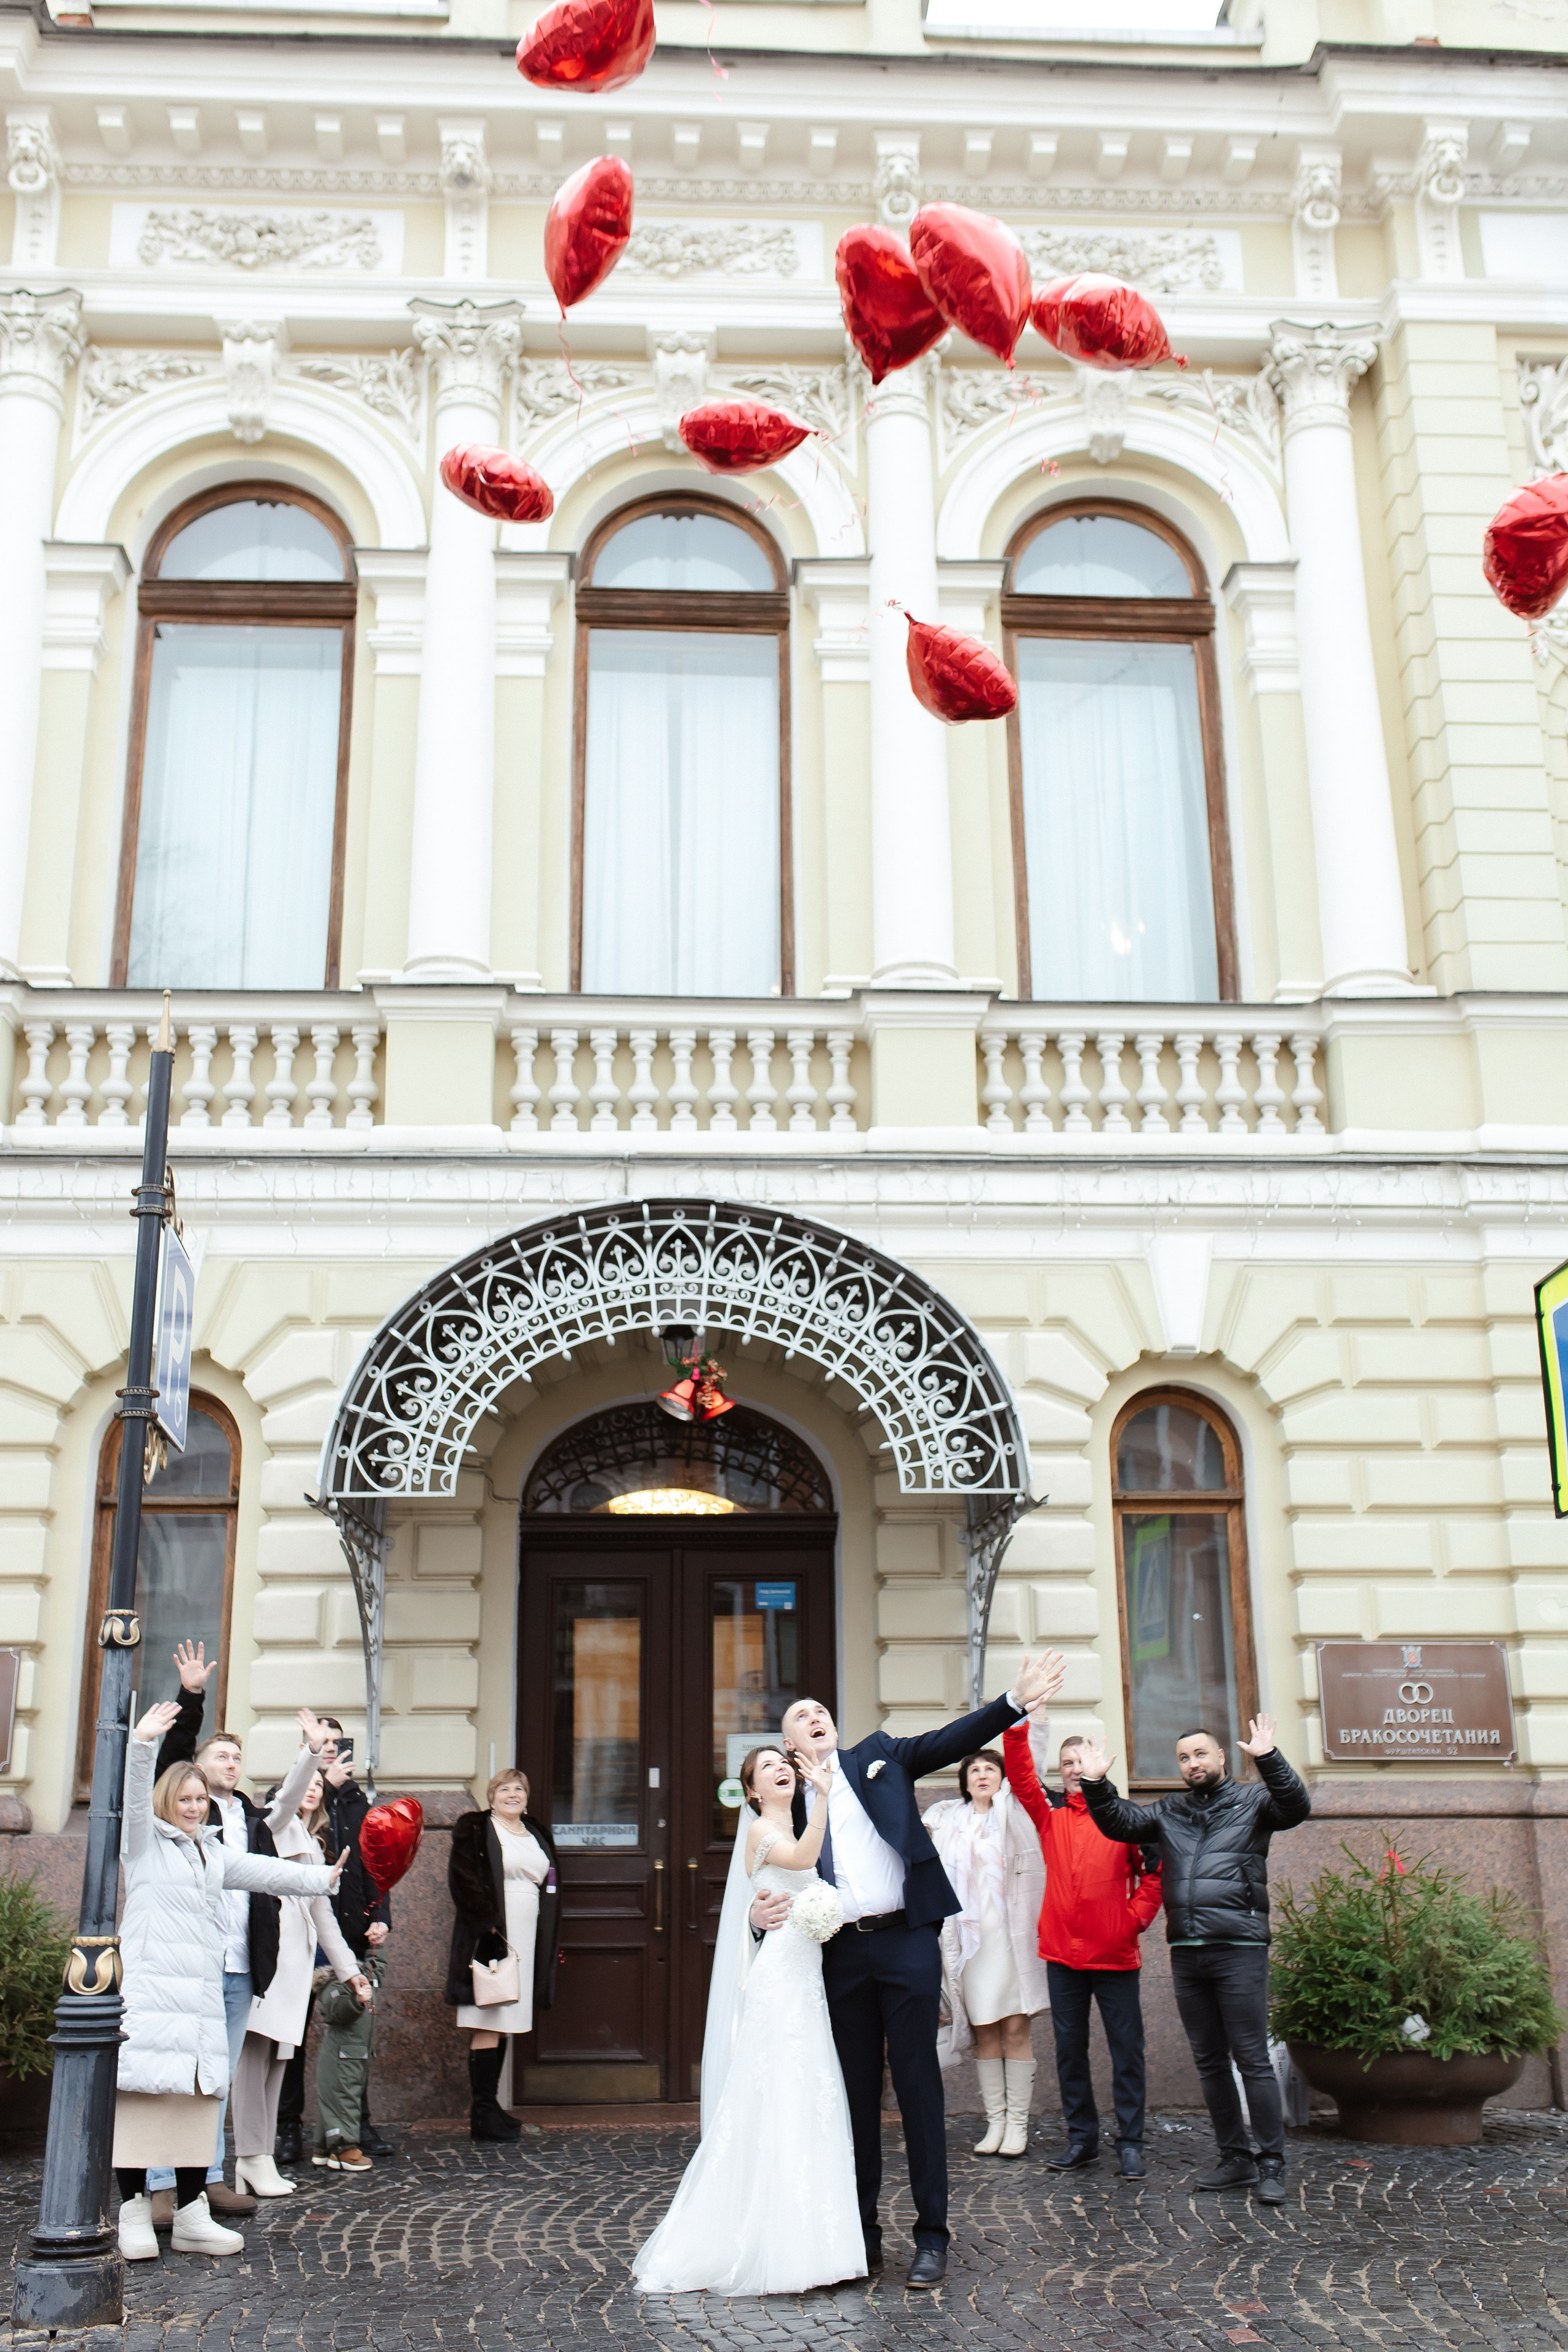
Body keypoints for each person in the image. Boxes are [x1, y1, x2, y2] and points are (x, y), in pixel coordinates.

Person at [758, 1649, 1066, 2290]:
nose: (815, 1716)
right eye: (800, 1715)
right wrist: (759, 1918)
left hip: (904, 1944)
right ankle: (862, 2238)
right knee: (855, 2098)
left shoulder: (881, 1757)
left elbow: (950, 1738)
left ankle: (932, 2237)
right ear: (789, 1745)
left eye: (820, 1710)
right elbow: (766, 1879)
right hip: (838, 1953)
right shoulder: (788, 1804)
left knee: (919, 2087)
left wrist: (1012, 1701)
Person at [115, 1701, 344, 2266]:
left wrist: (323, 1875)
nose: (193, 1808)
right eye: (185, 1800)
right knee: (143, 2102)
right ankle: (135, 2212)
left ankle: (193, 2213)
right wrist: (143, 1745)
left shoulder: (212, 1852)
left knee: (199, 2099)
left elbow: (264, 1872)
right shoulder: (141, 1845)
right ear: (168, 1802)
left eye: (199, 1800)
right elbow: (133, 1796)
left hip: (199, 1998)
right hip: (152, 1999)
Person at [633, 1744, 865, 2297]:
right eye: (767, 1767)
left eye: (782, 1762)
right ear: (753, 1791)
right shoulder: (763, 1830)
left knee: (809, 2099)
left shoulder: (793, 1824)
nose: (781, 1769)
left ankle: (817, 2245)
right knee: (776, 2100)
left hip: (807, 1984)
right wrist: (827, 1796)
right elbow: (807, 1860)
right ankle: (768, 2245)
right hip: (780, 1986)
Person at [1076, 1714, 1311, 2204]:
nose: (1192, 1764)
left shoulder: (1253, 1802)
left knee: (1251, 2059)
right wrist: (1097, 1783)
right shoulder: (1170, 1811)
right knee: (1209, 2061)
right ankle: (1235, 2159)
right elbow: (1119, 1823)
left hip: (1239, 1947)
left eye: (1201, 1754)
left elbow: (1295, 1807)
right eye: (1184, 1758)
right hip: (1187, 1950)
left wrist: (1268, 1757)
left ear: (1222, 1757)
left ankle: (1271, 2164)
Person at [148, 1640, 323, 2225]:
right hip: (188, 1962)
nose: (229, 1763)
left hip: (240, 1964)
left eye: (234, 1757)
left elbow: (286, 1815)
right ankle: (160, 2187)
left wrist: (310, 1755)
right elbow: (169, 1755)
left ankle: (211, 2178)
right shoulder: (181, 1814)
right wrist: (191, 1696)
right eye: (219, 1755)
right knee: (176, 2076)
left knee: (216, 2082)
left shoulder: (249, 1818)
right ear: (195, 1770)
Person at [1001, 1719, 1163, 2177]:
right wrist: (1018, 1720)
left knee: (1126, 2050)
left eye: (1082, 1761)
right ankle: (1082, 2139)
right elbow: (1018, 1774)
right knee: (1071, 2051)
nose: (1075, 1769)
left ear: (1101, 1762)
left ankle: (1130, 2142)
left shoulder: (1125, 1816)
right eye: (1067, 1763)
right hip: (1062, 1955)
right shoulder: (1049, 1812)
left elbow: (1155, 1872)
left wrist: (1133, 1919)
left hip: (1114, 1954)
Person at [232, 1723, 372, 2195]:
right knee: (254, 2067)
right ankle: (249, 2155)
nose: (313, 1789)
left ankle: (261, 2156)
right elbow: (287, 1799)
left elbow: (325, 1921)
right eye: (308, 1782)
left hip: (295, 1974)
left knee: (275, 2065)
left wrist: (351, 1973)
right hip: (268, 1964)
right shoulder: (270, 1824)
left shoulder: (313, 1845)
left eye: (319, 1784)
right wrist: (313, 1755)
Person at [274, 1714, 392, 2164]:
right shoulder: (285, 1797)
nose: (328, 1747)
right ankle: (288, 2129)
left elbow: (376, 1866)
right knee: (292, 2037)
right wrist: (320, 1779)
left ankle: (355, 2122)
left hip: (345, 1936)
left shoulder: (352, 1799)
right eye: (319, 1741)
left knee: (352, 2038)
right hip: (298, 1941)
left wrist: (381, 1917)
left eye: (335, 1742)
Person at [922, 1747, 1049, 2157]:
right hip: (969, 1944)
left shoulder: (1015, 1816)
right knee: (985, 2031)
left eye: (990, 1769)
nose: (981, 1775)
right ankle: (995, 2123)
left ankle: (1017, 2126)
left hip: (1011, 1938)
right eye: (974, 1769)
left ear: (1002, 1778)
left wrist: (1037, 1716)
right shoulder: (948, 1820)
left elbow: (1034, 1764)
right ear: (964, 1780)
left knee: (1015, 2028)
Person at [445, 1765, 561, 2142]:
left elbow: (550, 1881)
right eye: (505, 1789)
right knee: (488, 2019)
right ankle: (481, 2113)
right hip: (493, 1936)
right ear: (491, 1795)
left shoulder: (536, 1833)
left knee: (506, 2017)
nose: (513, 1795)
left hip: (527, 1936)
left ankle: (491, 2106)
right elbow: (462, 1880)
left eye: (520, 1789)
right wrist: (487, 1926)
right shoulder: (476, 1828)